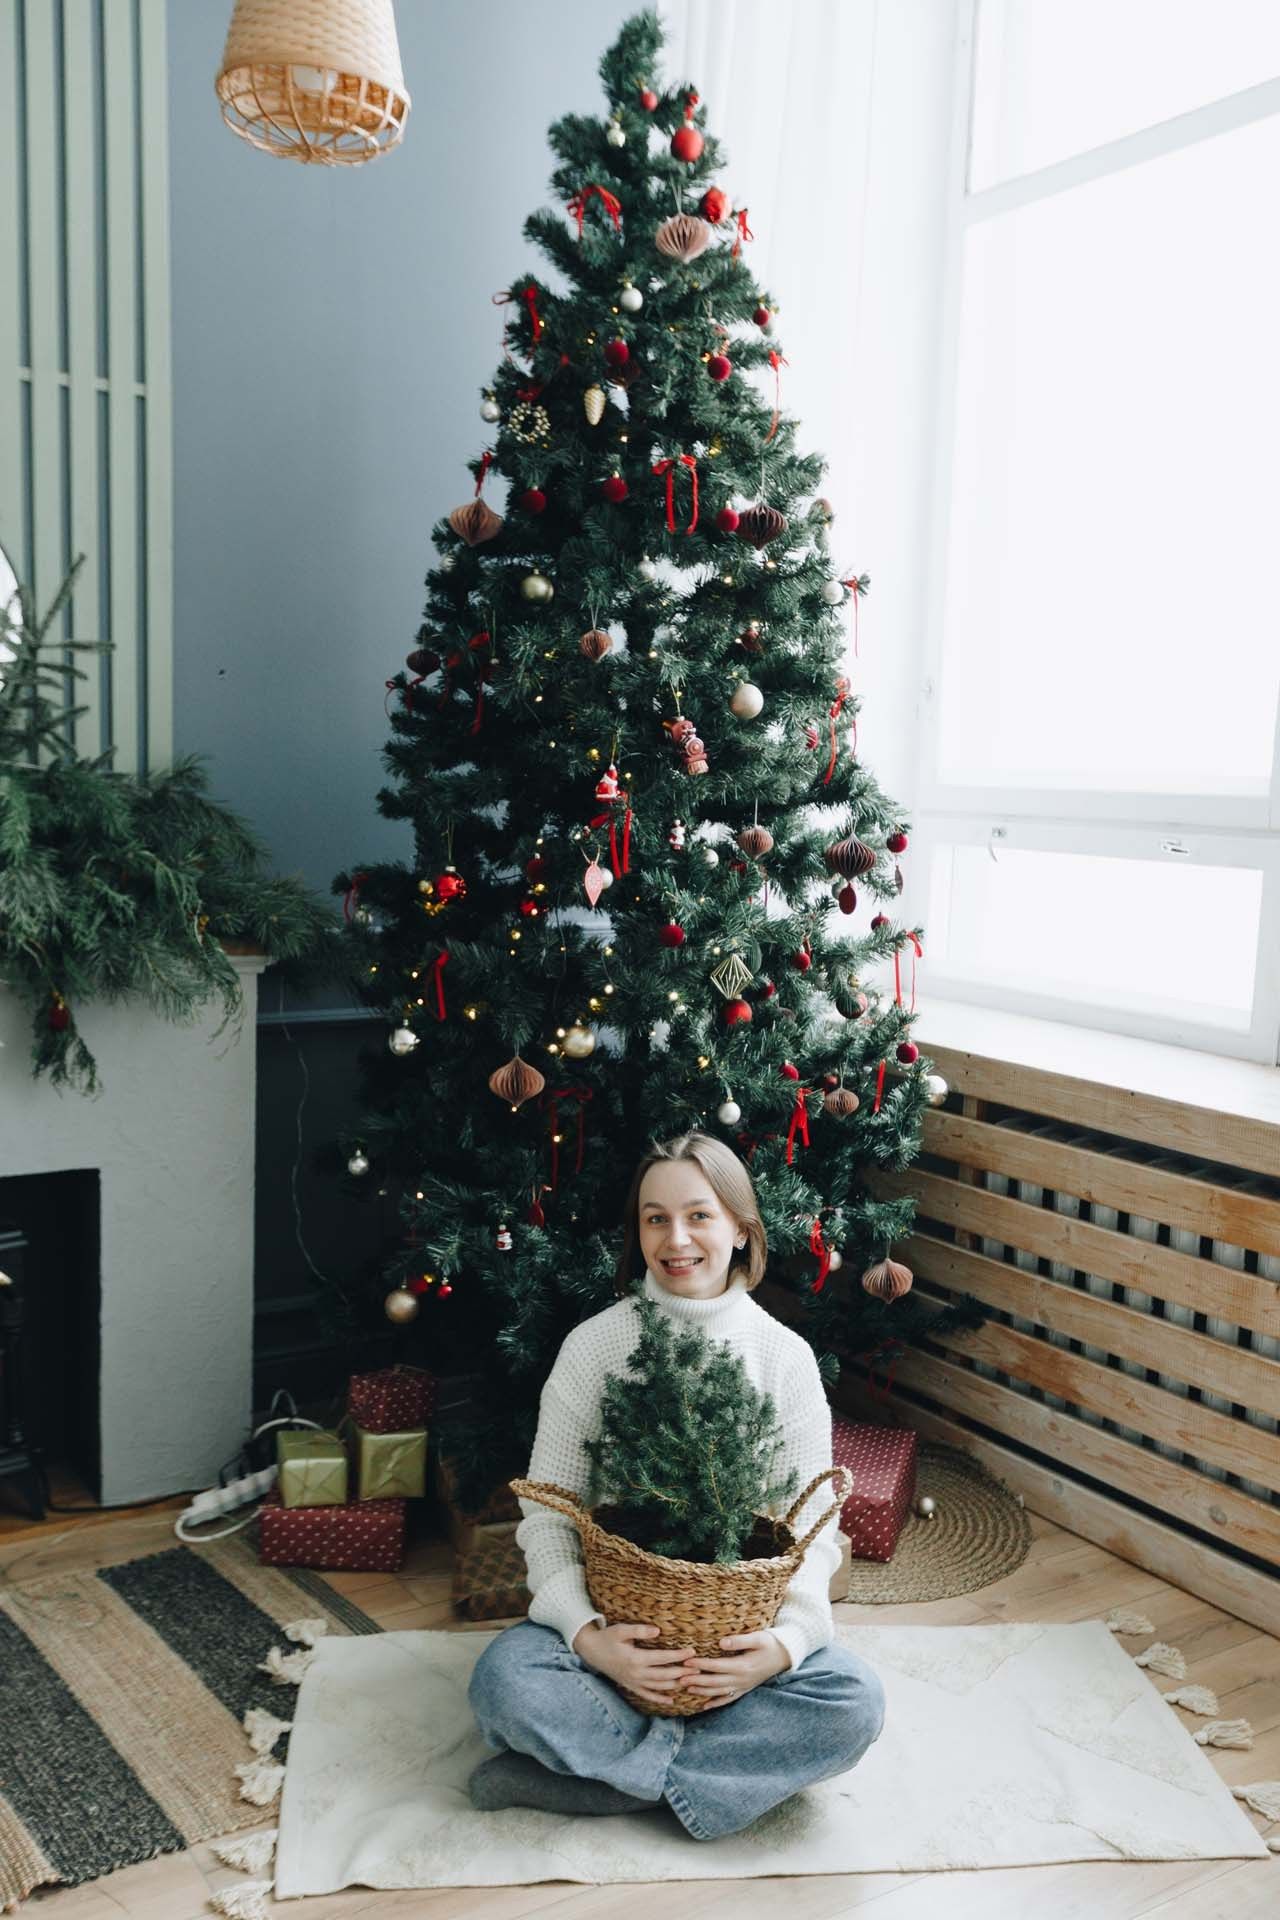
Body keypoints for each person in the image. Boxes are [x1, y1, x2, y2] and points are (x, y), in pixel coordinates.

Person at [467, 1131, 886, 1841]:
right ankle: (703, 1783)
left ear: (740, 1230)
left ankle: (614, 1785)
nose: (677, 1237)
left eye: (699, 1215)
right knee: (503, 1682)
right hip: (618, 1640)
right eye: (655, 1218)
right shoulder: (597, 1345)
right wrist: (589, 1638)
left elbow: (814, 1526)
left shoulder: (782, 1357)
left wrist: (781, 1650)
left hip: (736, 1654)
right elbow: (546, 1514)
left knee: (855, 1703)